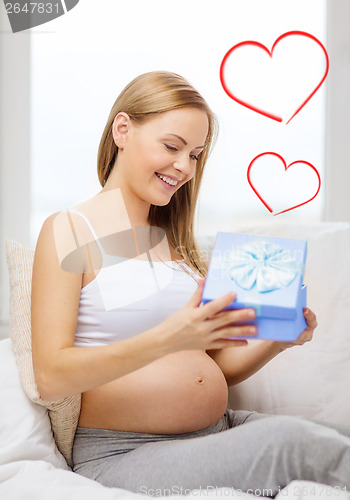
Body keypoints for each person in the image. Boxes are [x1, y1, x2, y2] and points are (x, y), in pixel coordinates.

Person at [31, 71, 350, 497]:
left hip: (215, 432)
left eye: (196, 154)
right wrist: (170, 337)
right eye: (171, 146)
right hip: (126, 452)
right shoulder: (69, 229)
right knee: (295, 447)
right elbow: (51, 375)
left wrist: (280, 339)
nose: (184, 167)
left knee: (337, 437)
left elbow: (213, 368)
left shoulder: (174, 242)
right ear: (122, 130)